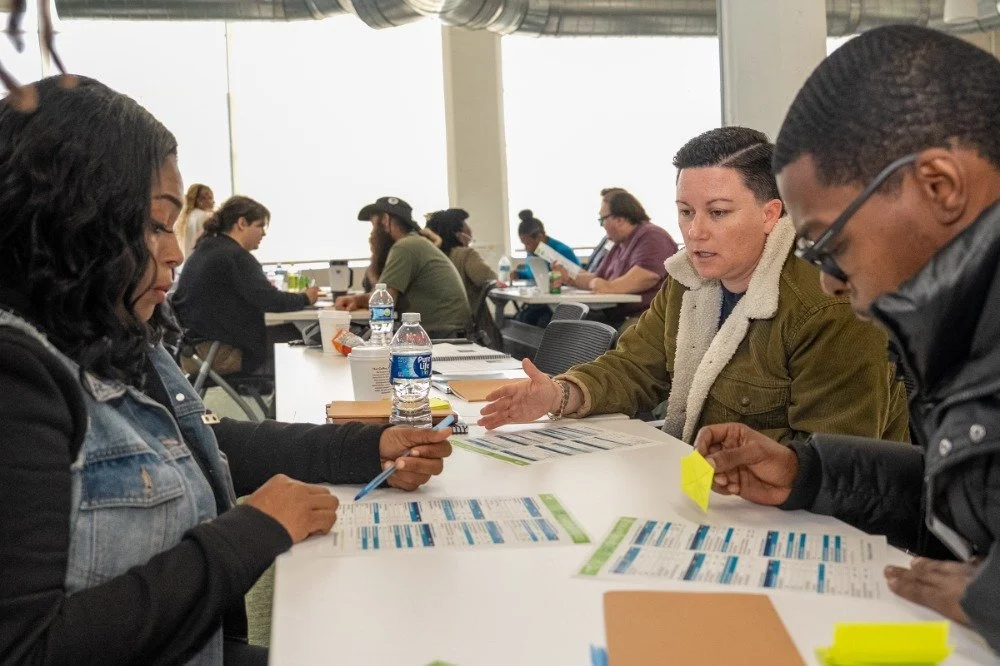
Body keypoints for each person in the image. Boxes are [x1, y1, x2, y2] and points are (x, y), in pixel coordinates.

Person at [0, 76, 452, 664]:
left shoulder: (113, 339)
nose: (175, 251)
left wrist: (368, 449)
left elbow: (202, 443)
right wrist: (253, 531)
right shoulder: (16, 379)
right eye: (157, 224)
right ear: (73, 219)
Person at [692, 26, 1000, 653]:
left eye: (830, 245)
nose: (829, 282)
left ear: (939, 186)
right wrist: (810, 474)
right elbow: (975, 497)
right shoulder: (958, 325)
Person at [480, 126, 909, 450]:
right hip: (707, 492)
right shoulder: (688, 281)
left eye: (718, 212)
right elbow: (635, 367)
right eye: (685, 212)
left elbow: (834, 463)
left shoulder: (827, 304)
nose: (695, 232)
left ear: (769, 214)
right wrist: (559, 393)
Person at [172, 196, 320, 375]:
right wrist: (306, 297)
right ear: (242, 223)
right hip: (219, 353)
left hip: (194, 350)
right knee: (304, 336)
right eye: (260, 226)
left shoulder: (207, 249)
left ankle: (276, 399)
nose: (263, 234)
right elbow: (270, 300)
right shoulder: (234, 255)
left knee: (288, 332)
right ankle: (293, 399)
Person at [336, 196, 470, 338]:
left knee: (344, 340)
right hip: (444, 331)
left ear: (386, 221)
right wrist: (356, 300)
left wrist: (374, 261)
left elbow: (383, 302)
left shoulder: (405, 247)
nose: (372, 233)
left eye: (374, 225)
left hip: (438, 336)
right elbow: (383, 294)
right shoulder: (414, 243)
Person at [556, 188, 680, 329]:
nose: (602, 225)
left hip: (646, 317)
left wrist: (600, 284)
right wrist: (568, 278)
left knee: (581, 332)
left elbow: (621, 285)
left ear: (620, 220)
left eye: (603, 219)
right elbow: (596, 279)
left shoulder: (652, 237)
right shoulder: (619, 244)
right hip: (617, 316)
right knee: (564, 325)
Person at [425, 207, 497, 306]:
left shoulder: (427, 256)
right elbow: (491, 280)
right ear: (459, 235)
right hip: (466, 318)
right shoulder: (465, 254)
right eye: (469, 238)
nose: (469, 242)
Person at [513, 208, 580, 280]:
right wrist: (519, 275)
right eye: (524, 244)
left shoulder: (562, 251)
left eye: (528, 244)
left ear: (540, 237)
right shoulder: (533, 252)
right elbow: (533, 275)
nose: (526, 248)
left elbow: (579, 279)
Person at [177, 183, 215, 259]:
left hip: (187, 264)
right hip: (203, 262)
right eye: (210, 198)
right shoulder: (206, 216)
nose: (213, 202)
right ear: (200, 200)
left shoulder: (185, 218)